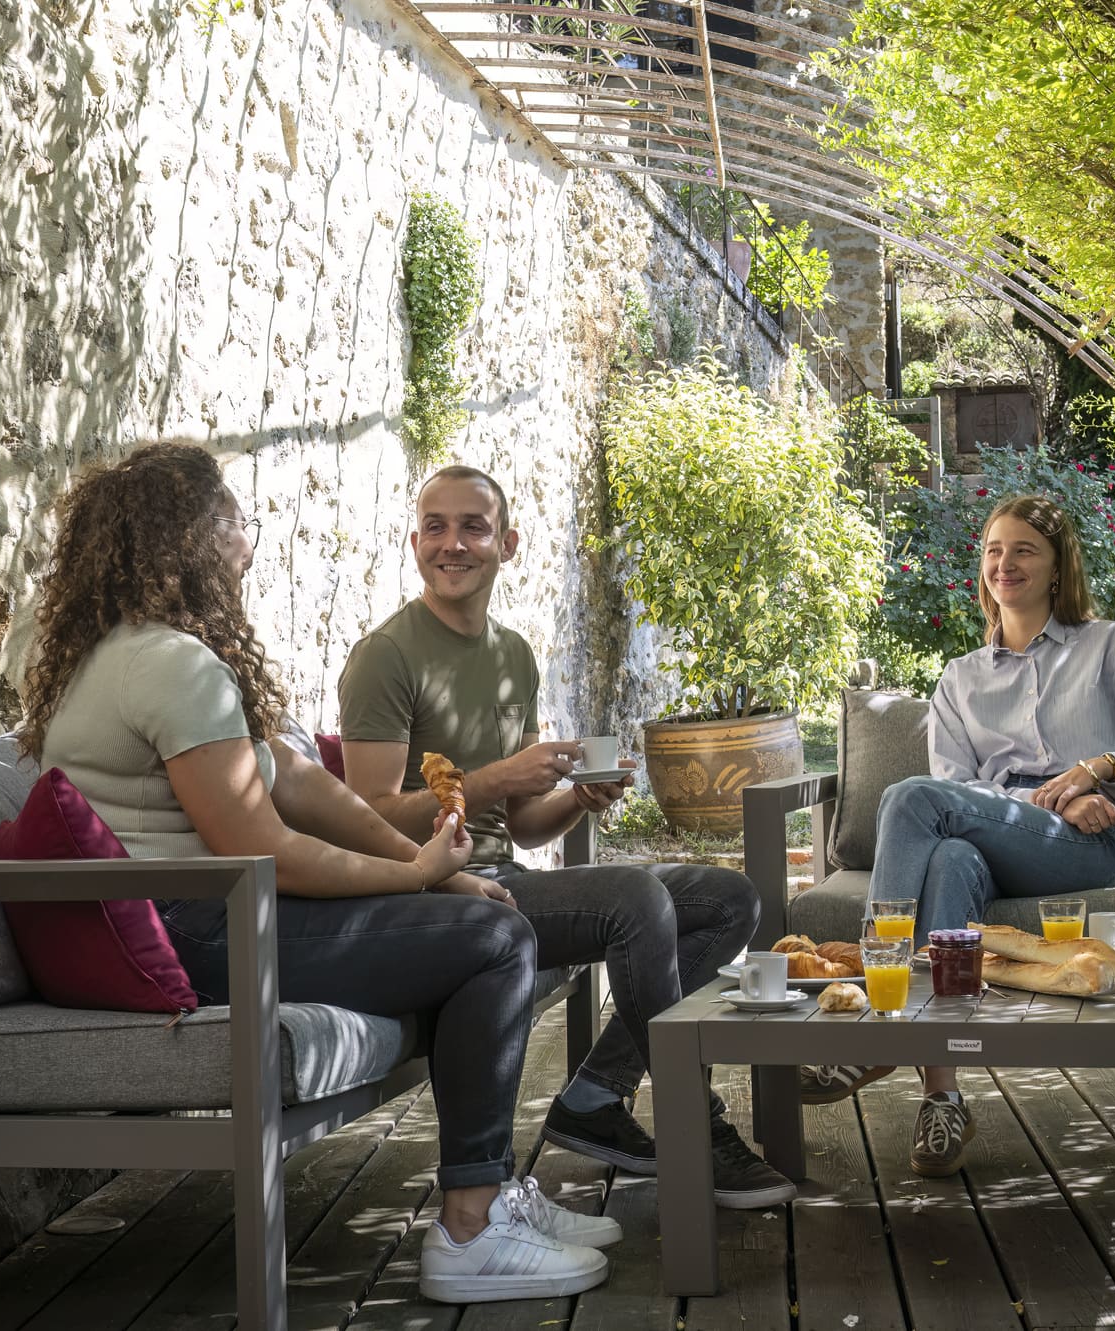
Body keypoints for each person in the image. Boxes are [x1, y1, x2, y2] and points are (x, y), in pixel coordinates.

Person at [18, 442, 617, 1304]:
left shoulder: (155, 651)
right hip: (203, 933)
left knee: (476, 920)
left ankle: (487, 1199)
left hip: (208, 918)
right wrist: (413, 880)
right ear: (189, 535)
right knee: (494, 939)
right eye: (232, 514)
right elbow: (261, 847)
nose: (246, 532)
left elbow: (305, 785)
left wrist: (433, 874)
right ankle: (473, 1228)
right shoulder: (170, 665)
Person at [336, 464, 795, 1209]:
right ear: (413, 540)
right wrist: (498, 776)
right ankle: (696, 1125)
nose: (451, 543)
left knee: (727, 897)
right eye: (434, 526)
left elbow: (519, 822)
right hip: (432, 895)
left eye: (473, 527)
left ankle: (593, 1097)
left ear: (507, 543)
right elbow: (367, 820)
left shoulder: (512, 653)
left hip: (503, 881)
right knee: (635, 897)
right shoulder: (385, 657)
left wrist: (577, 798)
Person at [805, 494, 1115, 1178]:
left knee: (909, 797)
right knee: (951, 850)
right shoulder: (960, 678)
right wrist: (1041, 797)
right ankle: (943, 1098)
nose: (1005, 563)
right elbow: (955, 790)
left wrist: (1098, 769)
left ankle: (882, 1009)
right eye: (994, 550)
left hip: (1086, 845)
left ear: (1058, 567)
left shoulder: (1111, 646)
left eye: (1024, 549)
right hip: (997, 839)